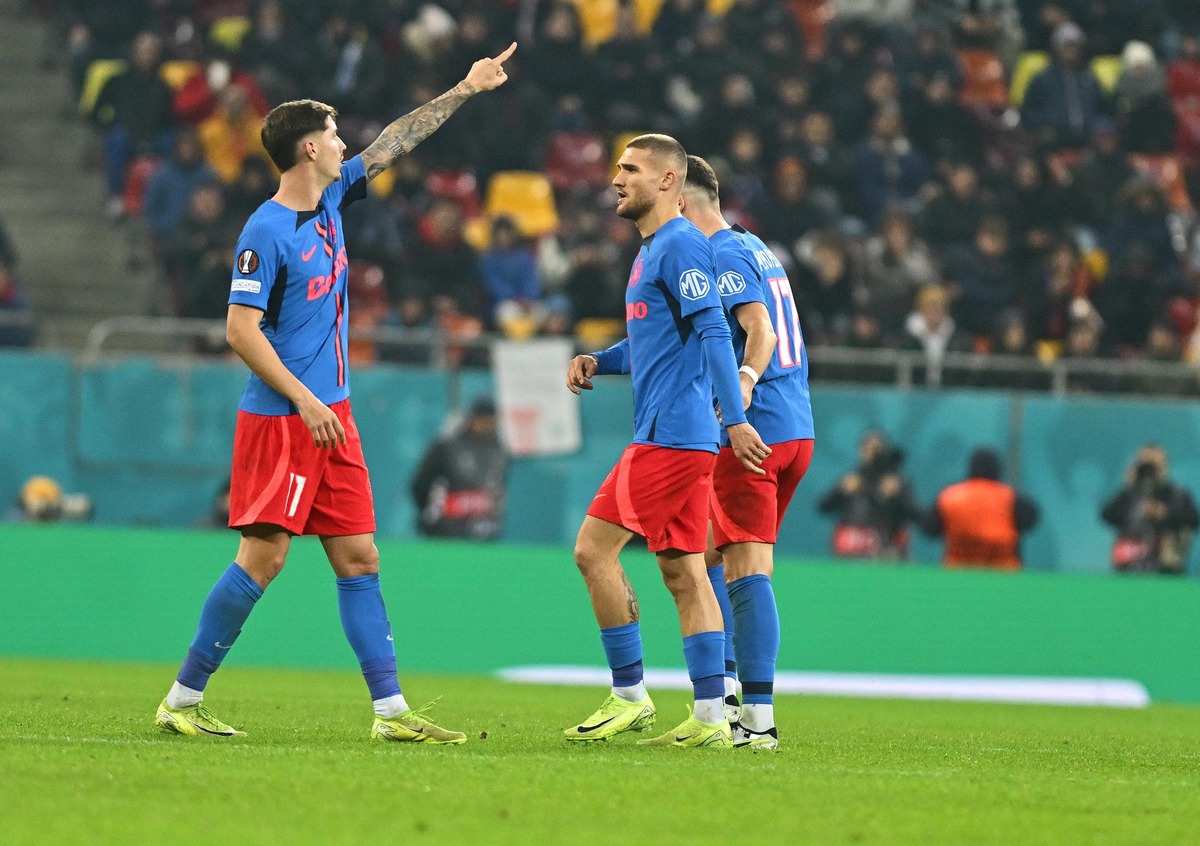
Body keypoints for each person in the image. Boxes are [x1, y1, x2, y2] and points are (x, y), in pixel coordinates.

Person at [153, 43, 518, 743]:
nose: (348, 142)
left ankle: (390, 714)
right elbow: (238, 330)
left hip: (332, 415)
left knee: (359, 558)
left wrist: (466, 88)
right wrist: (305, 400)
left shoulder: (334, 197)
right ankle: (182, 699)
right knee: (264, 559)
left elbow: (394, 141)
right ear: (311, 148)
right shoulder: (266, 230)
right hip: (287, 420)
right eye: (337, 133)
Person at [563, 134, 770, 749]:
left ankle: (629, 695)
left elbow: (714, 334)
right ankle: (711, 717)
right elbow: (658, 341)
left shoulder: (679, 245)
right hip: (686, 439)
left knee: (592, 551)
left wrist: (735, 419)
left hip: (670, 439)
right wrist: (600, 360)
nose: (616, 179)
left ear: (668, 182)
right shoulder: (654, 249)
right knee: (684, 572)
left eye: (630, 169)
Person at [679, 155, 815, 751]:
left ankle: (755, 719)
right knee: (707, 552)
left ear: (681, 200)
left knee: (744, 569)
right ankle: (728, 696)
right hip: (795, 428)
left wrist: (741, 386)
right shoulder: (757, 246)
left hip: (753, 431)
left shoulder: (720, 254)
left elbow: (761, 330)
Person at [920, 447, 1040, 570]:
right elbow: (1030, 520)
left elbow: (929, 528)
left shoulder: (949, 497)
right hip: (1003, 575)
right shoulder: (1010, 498)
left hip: (958, 574)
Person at [411, 395, 509, 541]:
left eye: (490, 419)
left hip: (484, 529)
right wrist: (431, 513)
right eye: (482, 418)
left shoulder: (499, 448)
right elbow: (420, 485)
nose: (486, 423)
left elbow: (498, 489)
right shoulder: (447, 445)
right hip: (446, 528)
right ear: (472, 418)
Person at [818, 430, 921, 560]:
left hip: (886, 552)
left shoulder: (895, 481)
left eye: (877, 449)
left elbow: (916, 515)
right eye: (868, 449)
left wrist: (897, 495)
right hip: (851, 549)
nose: (872, 454)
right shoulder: (852, 479)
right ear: (861, 451)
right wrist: (840, 490)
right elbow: (823, 507)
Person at [1101, 445, 1199, 574]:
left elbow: (1193, 522)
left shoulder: (1177, 495)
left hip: (1166, 569)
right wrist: (1128, 486)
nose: (1150, 470)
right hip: (1129, 567)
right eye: (1146, 464)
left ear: (1165, 466)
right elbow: (1107, 515)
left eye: (1155, 465)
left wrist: (1165, 515)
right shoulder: (1130, 494)